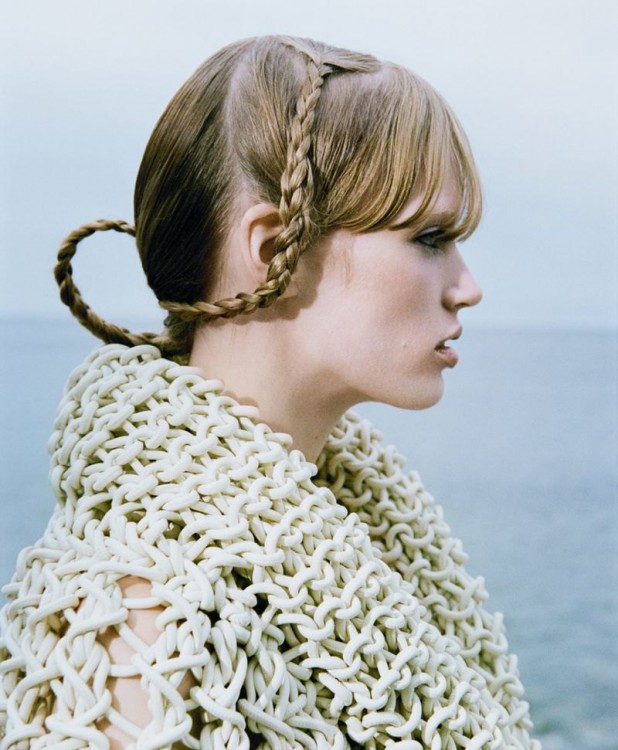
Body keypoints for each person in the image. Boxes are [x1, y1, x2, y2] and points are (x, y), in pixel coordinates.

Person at [0, 35, 540, 749]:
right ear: (274, 249)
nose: (468, 288)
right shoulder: (142, 627)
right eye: (431, 238)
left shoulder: (360, 531)